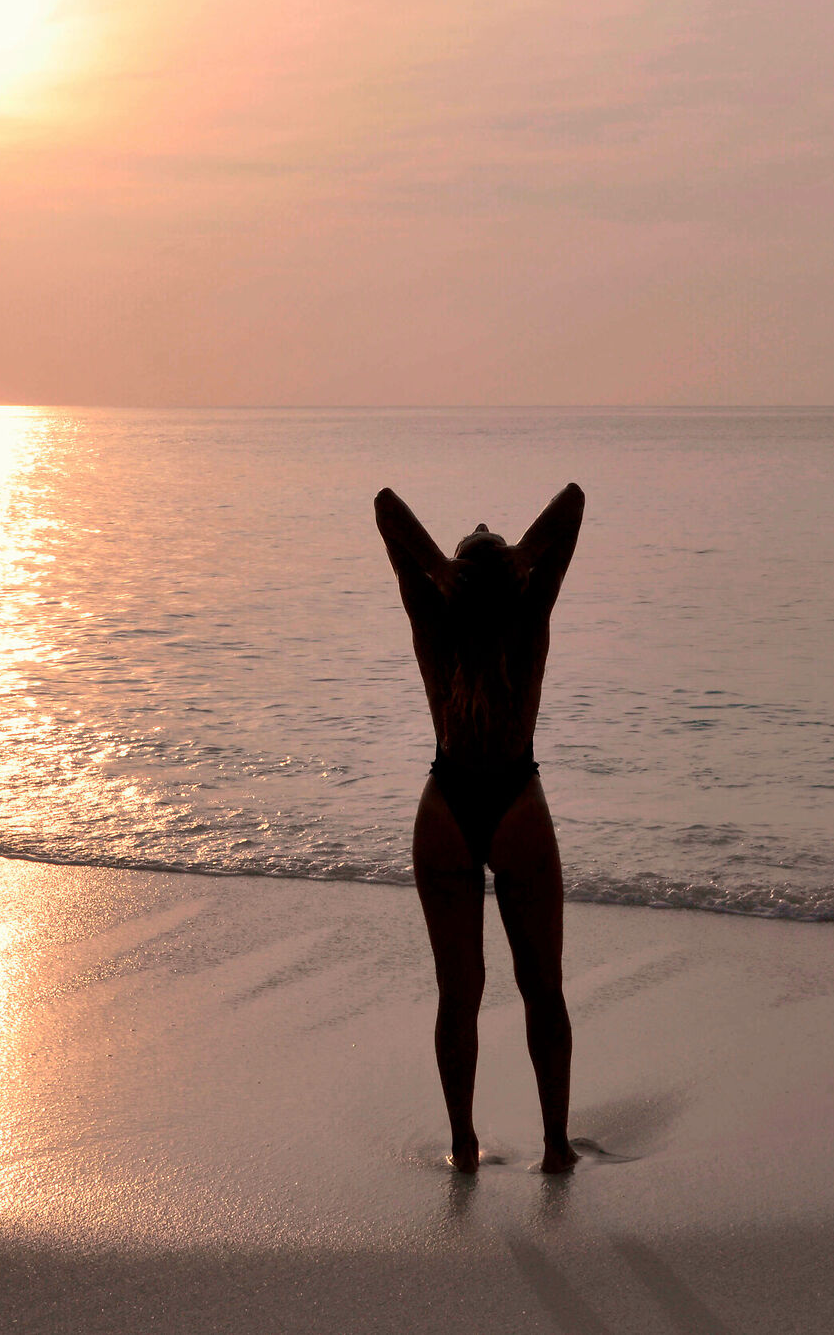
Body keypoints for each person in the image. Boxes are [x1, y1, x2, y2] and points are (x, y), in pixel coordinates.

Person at [375, 482, 585, 1173]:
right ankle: (555, 1148)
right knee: (543, 989)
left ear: (461, 576)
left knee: (458, 996)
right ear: (512, 573)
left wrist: (437, 564)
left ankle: (463, 1147)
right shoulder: (533, 608)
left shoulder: (431, 616)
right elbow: (573, 501)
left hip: (447, 805)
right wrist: (524, 551)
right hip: (517, 802)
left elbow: (386, 506)